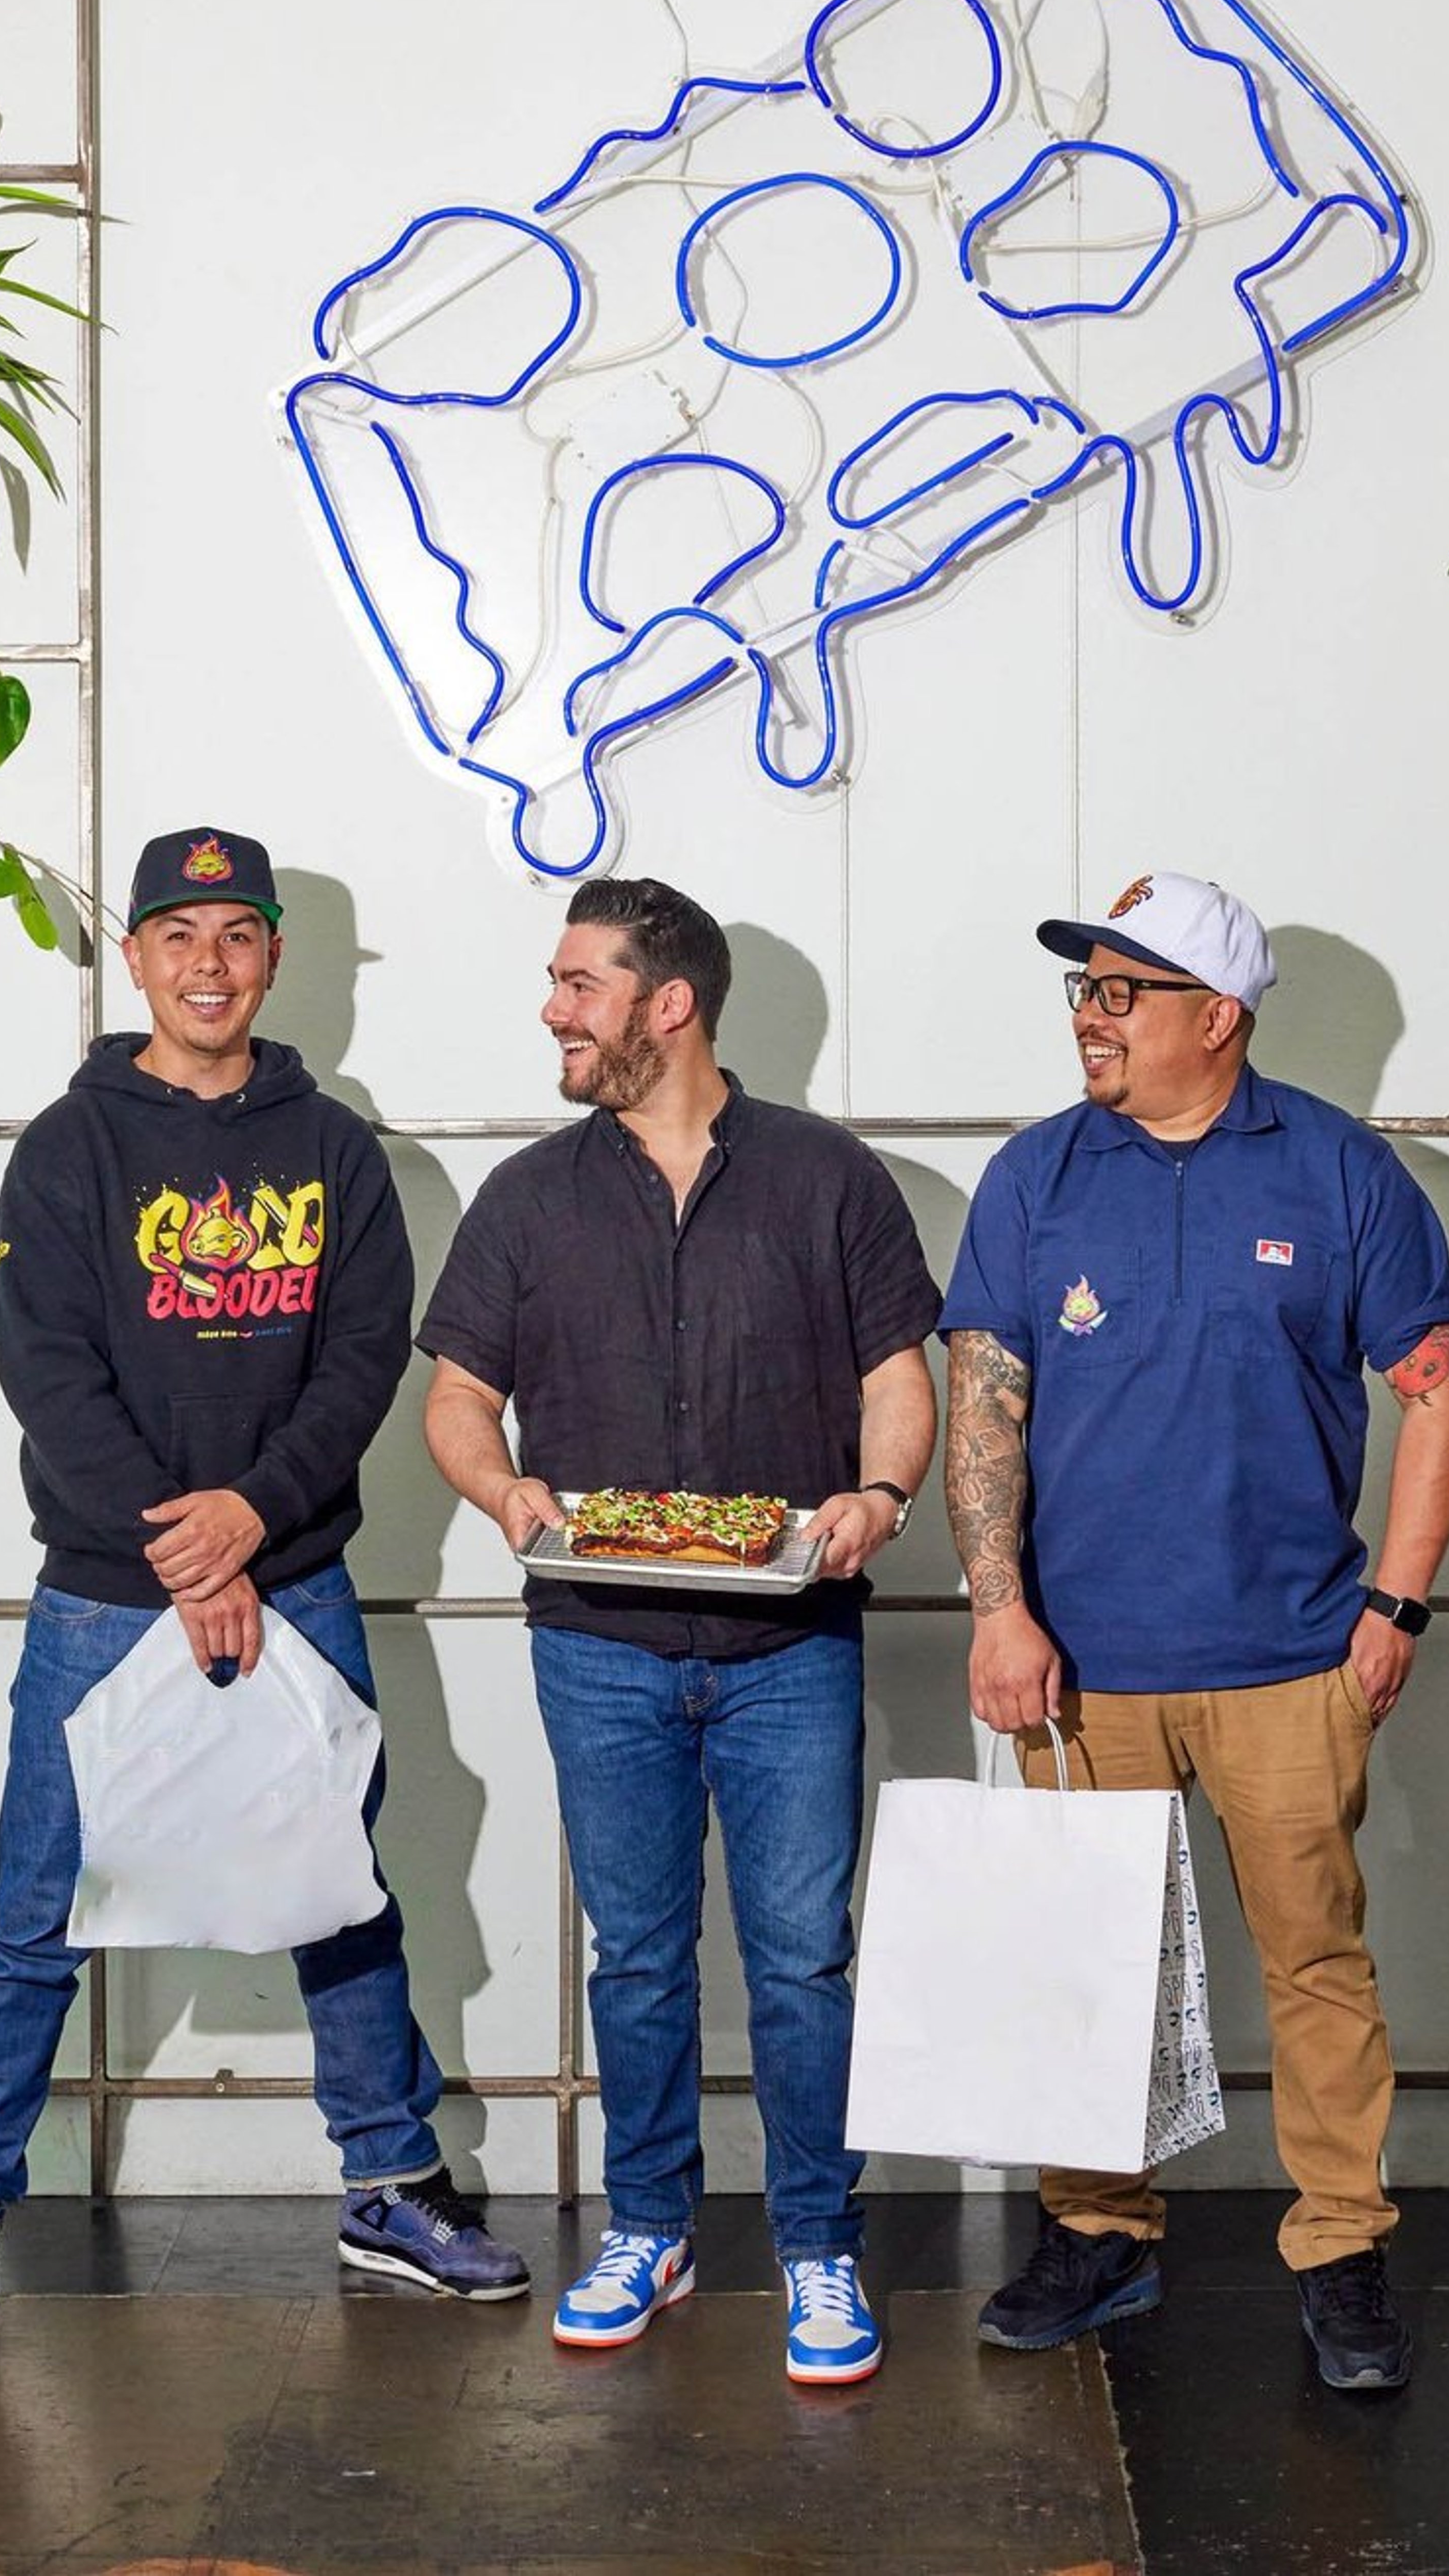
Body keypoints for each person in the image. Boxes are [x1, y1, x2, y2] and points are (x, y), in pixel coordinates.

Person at [0, 826, 528, 2385]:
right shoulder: (67, 1147)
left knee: (340, 1895)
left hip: (295, 1577)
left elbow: (364, 1360)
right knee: (35, 1914)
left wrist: (250, 1525)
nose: (209, 964)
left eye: (238, 934)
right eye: (180, 935)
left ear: (275, 956)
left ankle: (390, 2183)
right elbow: (49, 1373)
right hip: (107, 1594)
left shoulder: (336, 1150)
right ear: (138, 958)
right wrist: (186, 1548)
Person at [940, 871, 1449, 2393]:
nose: (1093, 1017)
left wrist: (1398, 1602)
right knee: (1082, 1962)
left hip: (1291, 1661)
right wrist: (999, 1607)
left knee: (1315, 1959)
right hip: (1080, 1673)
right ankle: (1100, 2229)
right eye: (1086, 990)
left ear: (1219, 1017)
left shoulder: (1340, 1171)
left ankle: (1343, 2243)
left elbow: (1439, 1390)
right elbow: (988, 1398)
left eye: (1125, 991)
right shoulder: (1036, 1176)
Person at [420, 877, 939, 2386]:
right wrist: (503, 1487)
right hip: (598, 1638)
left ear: (670, 1004)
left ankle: (818, 2245)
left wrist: (881, 1491)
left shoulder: (828, 1179)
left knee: (800, 1962)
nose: (553, 1008)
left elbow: (900, 1370)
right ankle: (650, 2221)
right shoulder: (528, 1197)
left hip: (793, 1642)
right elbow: (458, 1394)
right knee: (638, 1960)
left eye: (580, 983)